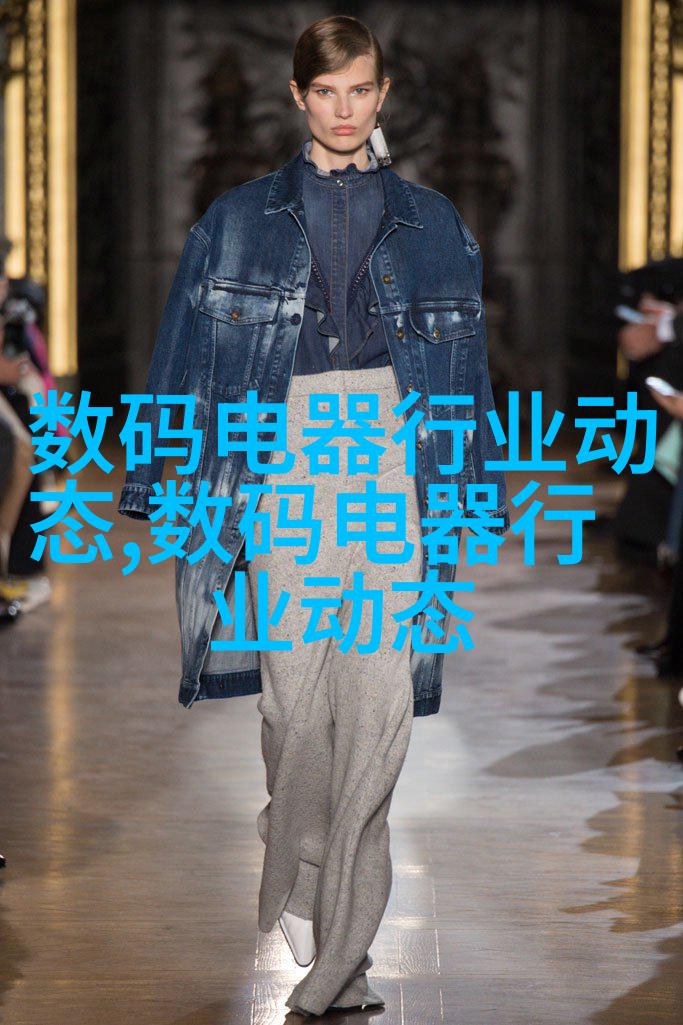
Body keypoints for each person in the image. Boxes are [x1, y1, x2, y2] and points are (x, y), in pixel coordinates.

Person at [118, 14, 509, 1017]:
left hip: (389, 458)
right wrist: (158, 477)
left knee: (376, 713)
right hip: (282, 457)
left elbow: (465, 365)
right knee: (294, 706)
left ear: (382, 94)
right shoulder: (235, 220)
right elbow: (182, 350)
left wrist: (472, 486)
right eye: (325, 92)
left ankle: (342, 958)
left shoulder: (433, 221)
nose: (343, 110)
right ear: (298, 96)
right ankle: (295, 847)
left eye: (359, 90)